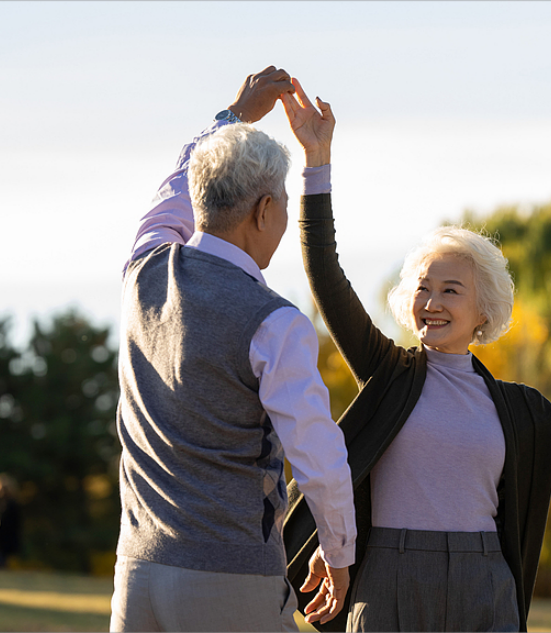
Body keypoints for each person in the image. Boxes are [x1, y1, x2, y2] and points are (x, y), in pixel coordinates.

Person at [277, 80, 551, 632]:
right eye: (423, 288)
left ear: (485, 310)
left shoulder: (523, 411)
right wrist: (317, 163)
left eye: (451, 290)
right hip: (388, 578)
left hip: (486, 584)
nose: (431, 302)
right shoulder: (389, 374)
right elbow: (328, 278)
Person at [111, 67, 356, 633]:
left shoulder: (142, 273)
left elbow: (173, 191)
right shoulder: (275, 322)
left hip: (137, 574)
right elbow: (318, 457)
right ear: (265, 212)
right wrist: (339, 551)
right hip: (230, 579)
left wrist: (233, 117)